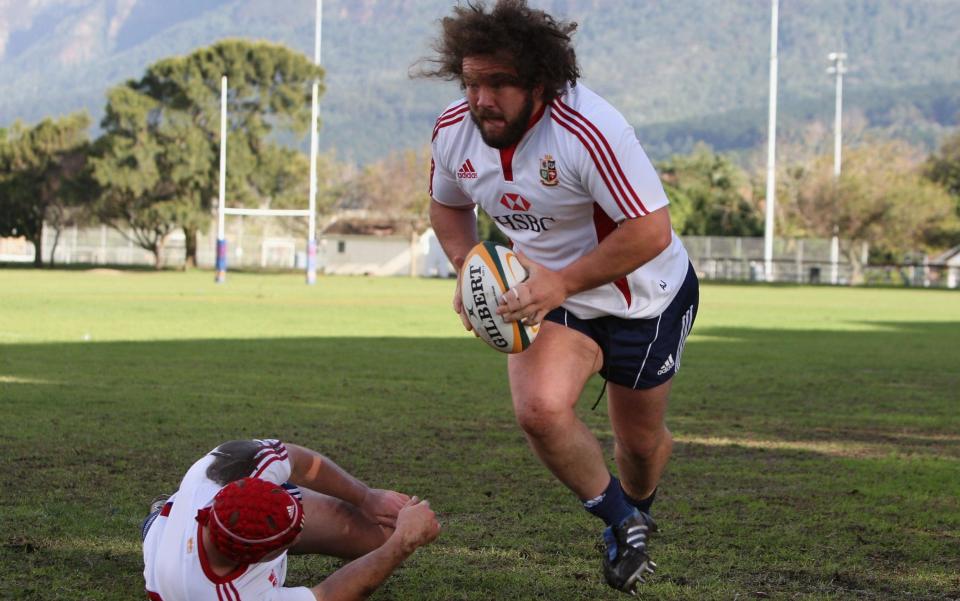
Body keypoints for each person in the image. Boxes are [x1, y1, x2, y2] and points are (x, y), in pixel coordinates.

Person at [420, 0, 698, 593]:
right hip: (549, 295)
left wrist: (563, 280)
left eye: (499, 83)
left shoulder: (589, 129)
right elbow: (448, 204)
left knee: (639, 444)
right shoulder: (454, 130)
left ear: (540, 82)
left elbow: (651, 230)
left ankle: (639, 504)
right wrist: (471, 269)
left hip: (644, 295)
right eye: (471, 82)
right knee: (540, 411)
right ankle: (621, 521)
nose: (482, 99)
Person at [141, 438, 440, 600]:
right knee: (391, 539)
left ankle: (169, 508)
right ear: (258, 558)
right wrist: (403, 542)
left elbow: (294, 460)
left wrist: (365, 496)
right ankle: (159, 517)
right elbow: (327, 596)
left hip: (196, 522)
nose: (300, 531)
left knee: (380, 531)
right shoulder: (226, 596)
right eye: (291, 534)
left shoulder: (221, 470)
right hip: (165, 549)